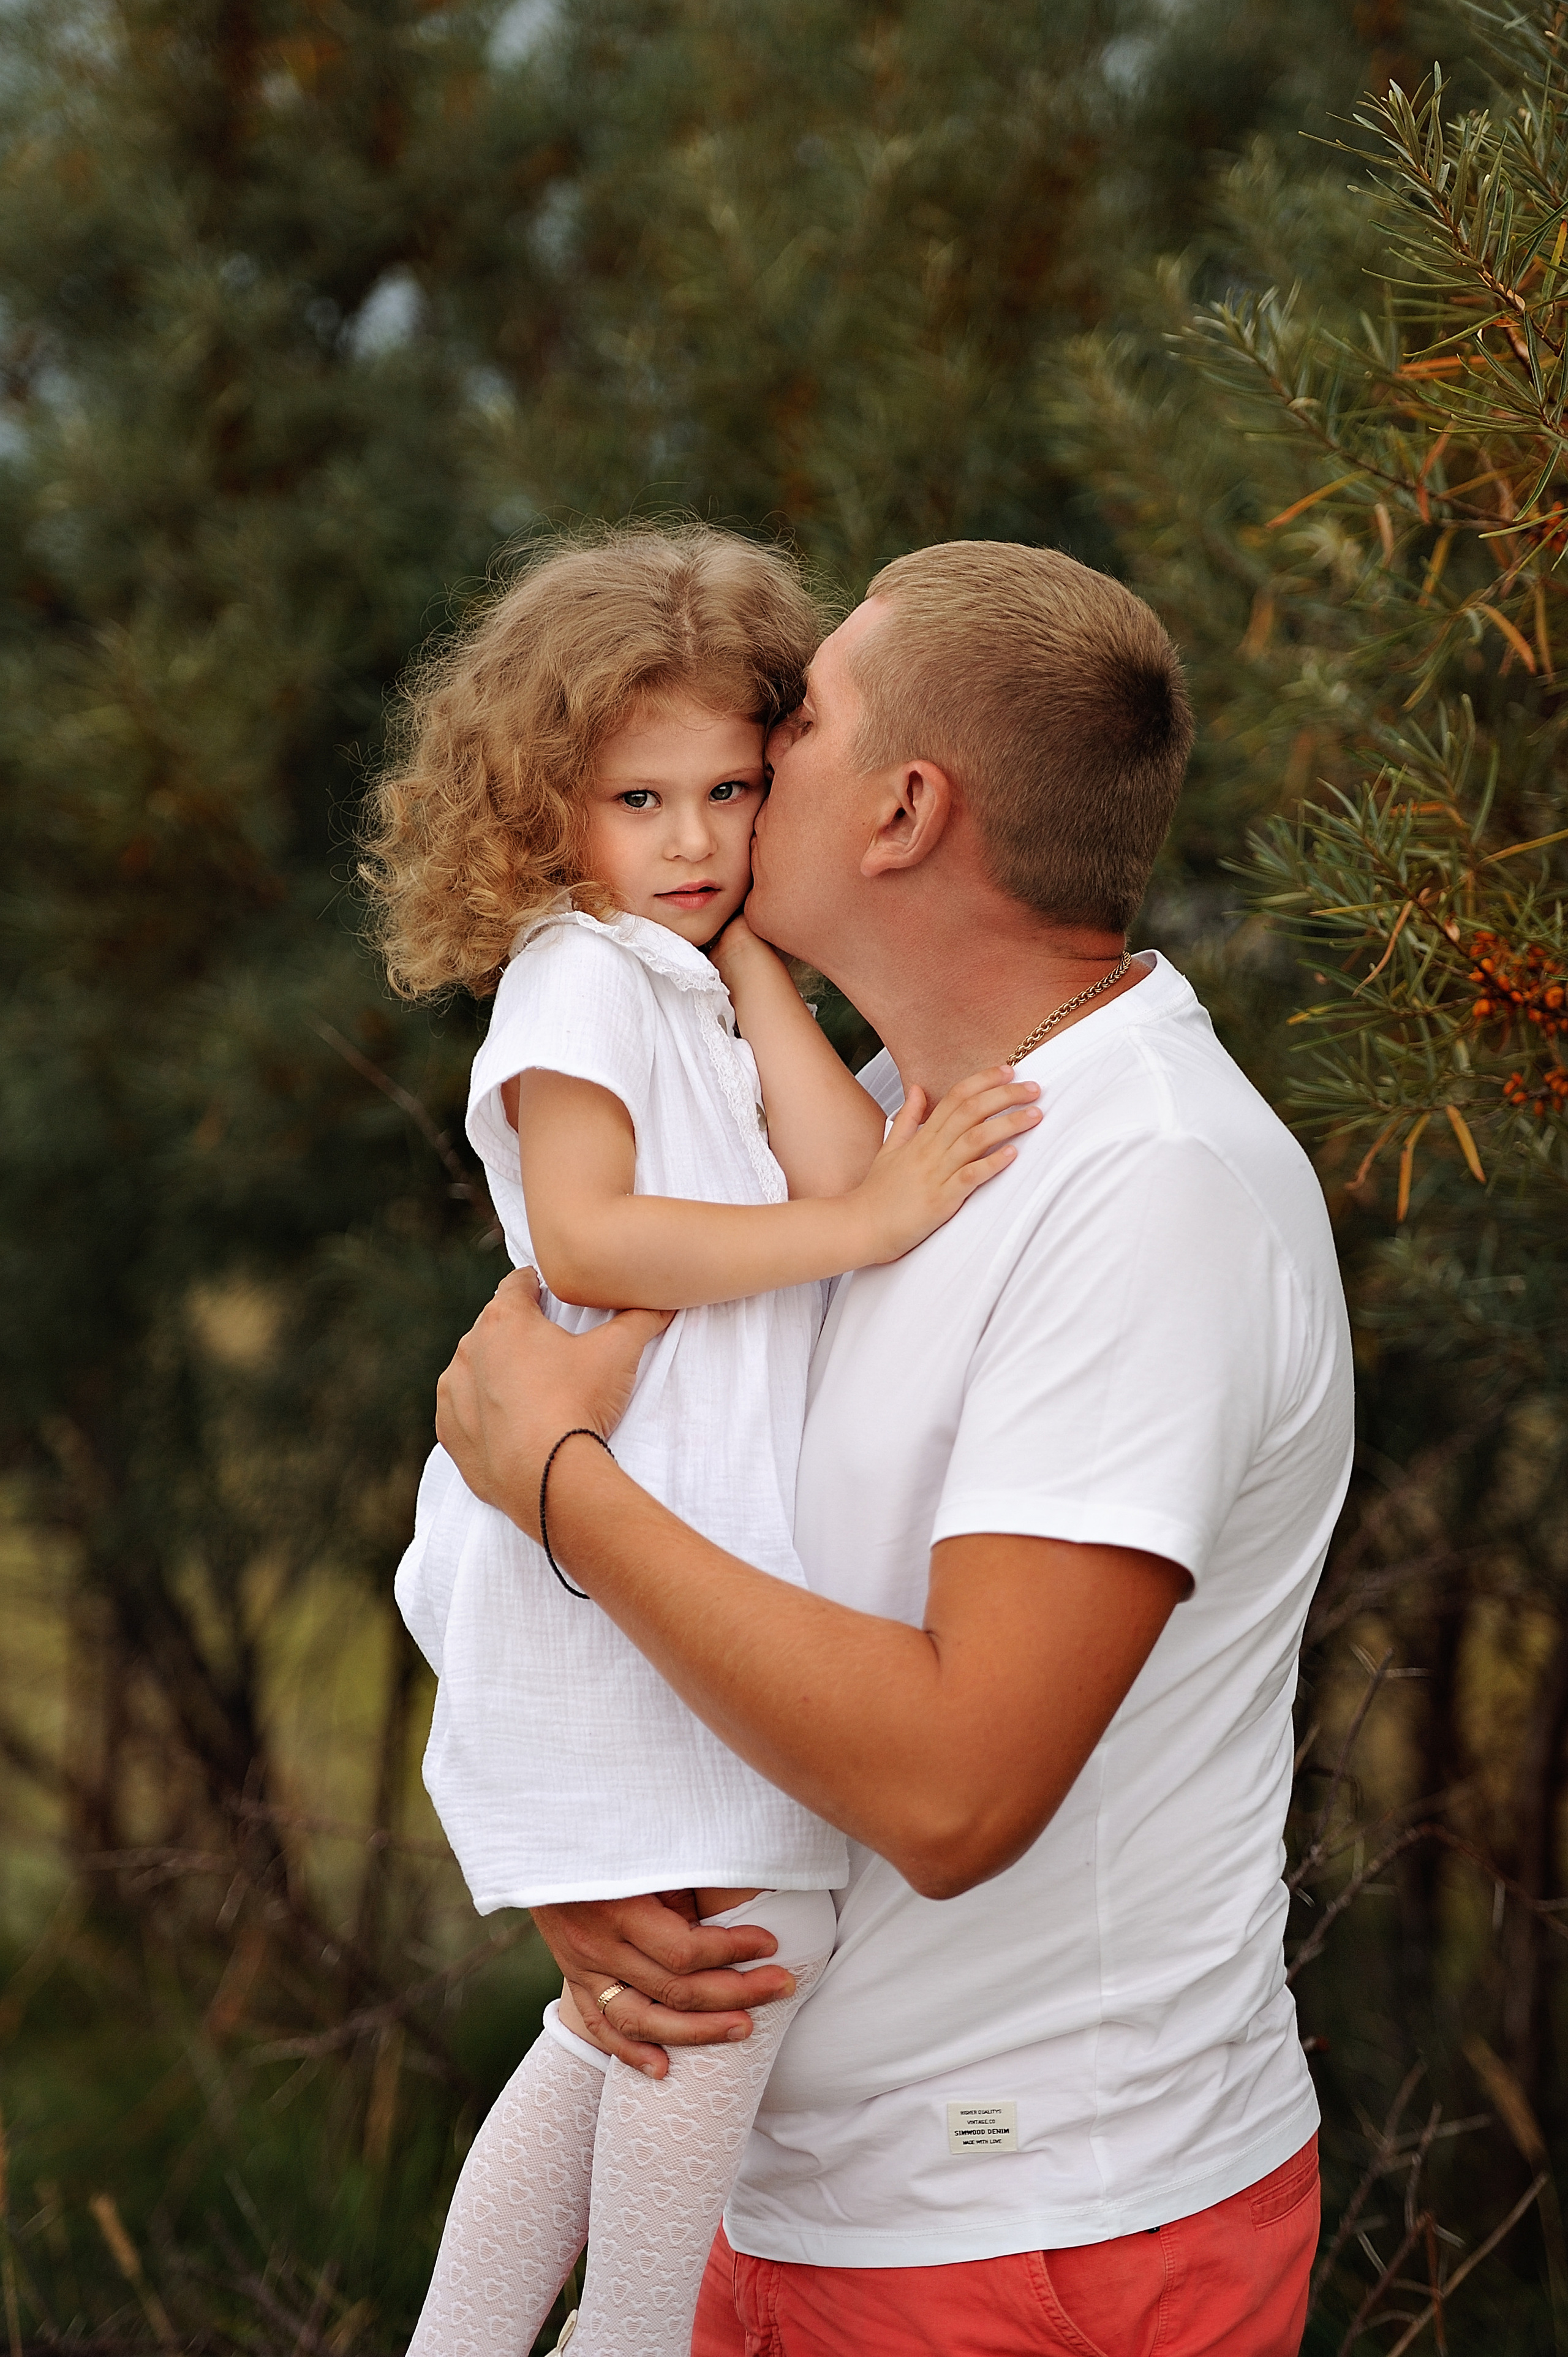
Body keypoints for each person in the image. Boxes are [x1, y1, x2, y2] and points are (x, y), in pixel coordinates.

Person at [434, 539, 1356, 2357]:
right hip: (788, 2189)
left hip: (1029, 2243)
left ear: (905, 809)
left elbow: (951, 1792)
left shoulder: (1147, 1191)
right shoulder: (873, 1126)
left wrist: (558, 1489)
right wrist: (615, 1862)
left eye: (801, 720)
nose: (755, 749)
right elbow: (703, 1494)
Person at [360, 524, 1041, 2357]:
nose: (691, 841)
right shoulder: (578, 976)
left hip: (668, 1526)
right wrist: (864, 1229)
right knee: (734, 1967)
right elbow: (589, 1234)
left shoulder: (684, 975)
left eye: (730, 792)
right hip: (614, 1527)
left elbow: (839, 1160)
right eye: (637, 800)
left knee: (634, 2012)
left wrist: (754, 974)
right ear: (543, 812)